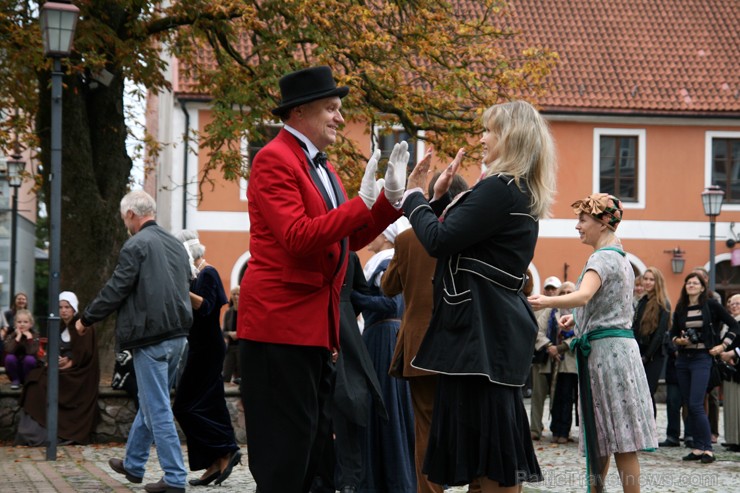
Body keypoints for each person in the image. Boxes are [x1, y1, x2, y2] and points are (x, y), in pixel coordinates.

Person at [237, 65, 407, 493]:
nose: (339, 117)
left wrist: (388, 202)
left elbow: (346, 239)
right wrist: (361, 203)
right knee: (286, 459)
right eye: (331, 108)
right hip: (280, 329)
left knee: (315, 456)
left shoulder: (322, 168)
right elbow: (297, 238)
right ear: (299, 112)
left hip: (313, 330)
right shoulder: (273, 159)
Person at [403, 100, 556, 492]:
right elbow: (459, 236)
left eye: (489, 130)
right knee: (489, 453)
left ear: (511, 137)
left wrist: (413, 198)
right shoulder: (517, 191)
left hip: (477, 338)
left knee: (488, 458)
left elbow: (439, 240)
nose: (482, 138)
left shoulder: (499, 189)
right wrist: (436, 200)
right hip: (489, 335)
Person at [529, 193, 658, 493]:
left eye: (582, 219)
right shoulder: (622, 259)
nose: (577, 226)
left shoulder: (602, 257)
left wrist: (548, 300)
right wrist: (577, 318)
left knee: (617, 438)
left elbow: (585, 294)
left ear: (601, 223)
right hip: (617, 352)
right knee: (608, 435)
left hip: (608, 356)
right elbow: (610, 303)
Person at [75, 190, 192, 493]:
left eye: (123, 218)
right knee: (153, 404)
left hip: (151, 339)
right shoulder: (176, 246)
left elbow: (116, 288)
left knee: (158, 408)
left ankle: (175, 477)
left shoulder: (136, 244)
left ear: (130, 215)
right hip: (178, 337)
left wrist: (86, 318)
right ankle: (134, 463)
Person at [382, 172, 470, 493]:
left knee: (426, 428)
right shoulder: (469, 234)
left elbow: (387, 286)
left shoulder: (407, 239)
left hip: (419, 344)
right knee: (468, 424)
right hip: (461, 345)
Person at [352, 218, 416, 493]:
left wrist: (353, 297)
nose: (368, 236)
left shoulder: (388, 260)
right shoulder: (385, 260)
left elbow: (392, 303)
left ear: (387, 235)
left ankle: (392, 479)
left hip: (383, 339)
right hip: (382, 337)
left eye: (374, 231)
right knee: (385, 407)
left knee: (386, 406)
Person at [173, 230, 241, 487]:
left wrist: (180, 289)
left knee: (183, 406)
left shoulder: (208, 273)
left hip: (208, 349)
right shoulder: (193, 276)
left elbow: (208, 306)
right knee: (209, 403)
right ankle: (217, 458)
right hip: (199, 347)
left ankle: (225, 449)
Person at [16, 291, 100, 445]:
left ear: (74, 308)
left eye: (67, 307)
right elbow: (52, 348)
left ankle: (57, 432)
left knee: (44, 383)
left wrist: (70, 361)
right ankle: (34, 432)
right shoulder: (59, 326)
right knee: (34, 381)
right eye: (61, 307)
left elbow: (85, 353)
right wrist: (53, 360)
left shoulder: (83, 325)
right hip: (59, 370)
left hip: (78, 374)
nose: (63, 310)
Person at [670, 272, 737, 464]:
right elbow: (673, 333)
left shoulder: (711, 305)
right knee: (689, 404)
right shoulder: (681, 308)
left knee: (697, 404)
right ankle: (698, 447)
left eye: (695, 283)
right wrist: (679, 340)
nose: (691, 285)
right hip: (683, 360)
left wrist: (723, 346)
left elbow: (734, 326)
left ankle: (708, 448)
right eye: (688, 282)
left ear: (702, 287)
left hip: (702, 358)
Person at [632, 267, 671, 417]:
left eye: (651, 279)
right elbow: (635, 328)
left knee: (647, 394)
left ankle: (651, 432)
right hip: (639, 353)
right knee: (638, 395)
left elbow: (660, 334)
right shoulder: (642, 301)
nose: (647, 282)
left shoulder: (663, 303)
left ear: (657, 282)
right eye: (645, 279)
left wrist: (646, 356)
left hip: (654, 356)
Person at [548, 281, 578, 444]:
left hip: (573, 363)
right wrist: (549, 346)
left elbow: (580, 334)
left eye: (569, 292)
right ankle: (555, 429)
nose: (566, 295)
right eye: (563, 292)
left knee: (567, 398)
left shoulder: (579, 312)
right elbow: (539, 330)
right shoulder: (554, 312)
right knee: (555, 398)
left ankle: (564, 431)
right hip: (554, 363)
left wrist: (560, 348)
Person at [718, 294, 740, 452]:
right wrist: (724, 356)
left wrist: (733, 354)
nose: (734, 306)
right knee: (730, 405)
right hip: (729, 368)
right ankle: (733, 438)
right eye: (731, 303)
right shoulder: (729, 324)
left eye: (738, 303)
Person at [3, 309, 40, 389]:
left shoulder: (35, 335)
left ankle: (27, 380)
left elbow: (32, 351)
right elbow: (9, 350)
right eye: (19, 322)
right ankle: (16, 380)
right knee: (9, 358)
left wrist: (29, 338)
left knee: (29, 359)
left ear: (31, 324)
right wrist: (18, 337)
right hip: (15, 368)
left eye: (25, 322)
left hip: (29, 368)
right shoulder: (12, 335)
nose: (22, 324)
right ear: (15, 324)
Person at [222, 286, 240, 384]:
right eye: (234, 294)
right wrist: (230, 333)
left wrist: (239, 334)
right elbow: (223, 331)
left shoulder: (246, 311)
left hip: (242, 348)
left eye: (238, 294)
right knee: (226, 375)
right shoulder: (228, 313)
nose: (236, 296)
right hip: (230, 348)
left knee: (242, 376)